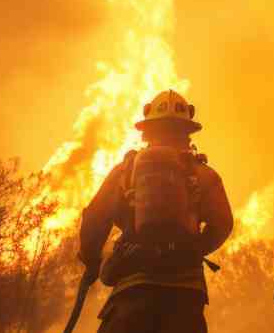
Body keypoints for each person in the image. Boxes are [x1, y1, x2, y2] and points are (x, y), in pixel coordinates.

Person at [78, 90, 233, 333]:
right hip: (185, 299)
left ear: (147, 131)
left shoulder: (124, 173)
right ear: (187, 132)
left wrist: (91, 262)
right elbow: (223, 224)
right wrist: (192, 249)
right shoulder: (204, 174)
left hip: (131, 294)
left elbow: (94, 219)